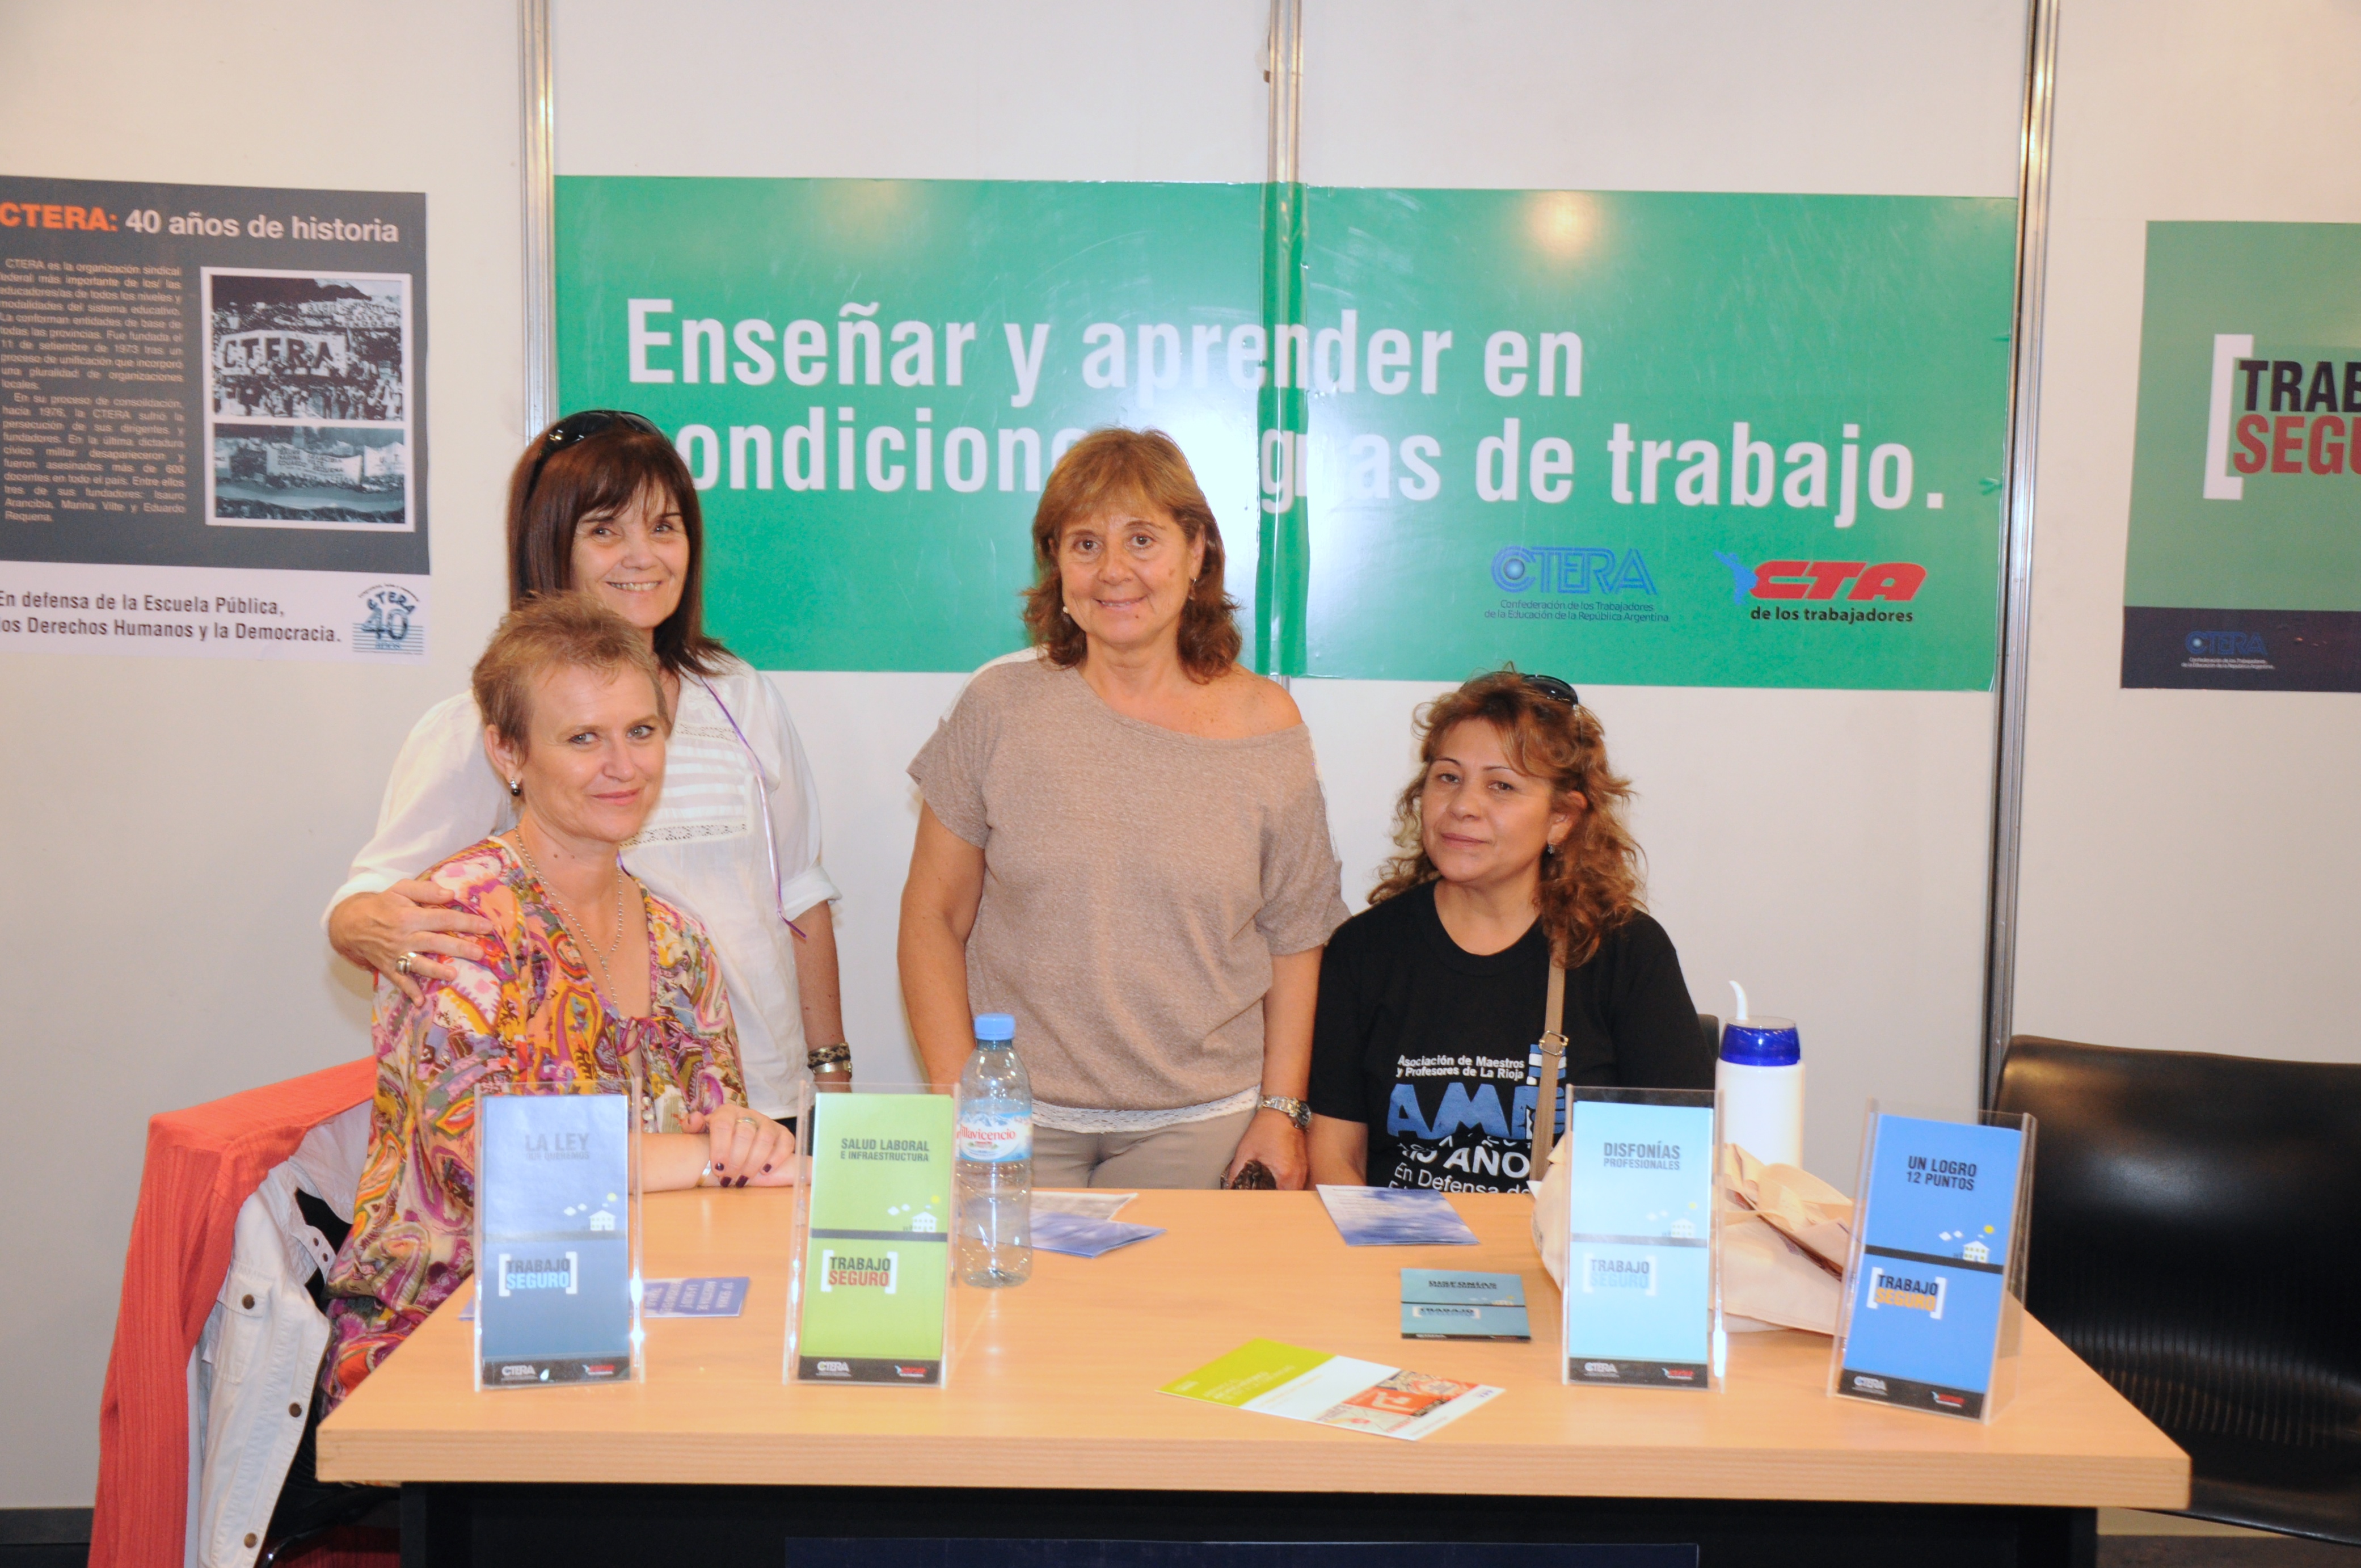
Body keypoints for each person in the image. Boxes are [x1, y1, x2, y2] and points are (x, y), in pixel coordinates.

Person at [271, 597, 793, 1537]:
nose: (622, 764)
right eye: (582, 737)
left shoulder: (678, 937)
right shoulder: (456, 924)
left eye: (640, 731)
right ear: (508, 752)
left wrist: (744, 1139)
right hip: (452, 1334)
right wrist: (705, 1153)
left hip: (637, 1312)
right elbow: (508, 1168)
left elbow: (724, 1131)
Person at [326, 411, 848, 1114]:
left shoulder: (738, 695)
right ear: (552, 547)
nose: (643, 556)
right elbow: (373, 903)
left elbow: (798, 896)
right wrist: (361, 925)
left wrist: (830, 1074)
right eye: (605, 531)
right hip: (588, 1116)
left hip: (764, 1096)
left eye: (663, 527)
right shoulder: (480, 725)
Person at [900, 428, 1348, 1190]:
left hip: (1204, 1127)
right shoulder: (997, 706)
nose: (1113, 571)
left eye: (1142, 539)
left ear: (1196, 551)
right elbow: (931, 917)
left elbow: (1297, 937)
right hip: (1013, 1122)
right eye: (1085, 544)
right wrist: (958, 1094)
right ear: (1056, 565)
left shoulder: (1267, 726)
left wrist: (1282, 1110)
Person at [1307, 671, 1713, 1193]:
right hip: (1397, 1241)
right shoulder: (1364, 950)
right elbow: (1334, 1158)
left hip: (1556, 1243)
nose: (1462, 806)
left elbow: (1677, 1162)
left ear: (1561, 818)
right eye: (1448, 777)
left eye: (1501, 786)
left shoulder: (1626, 951)